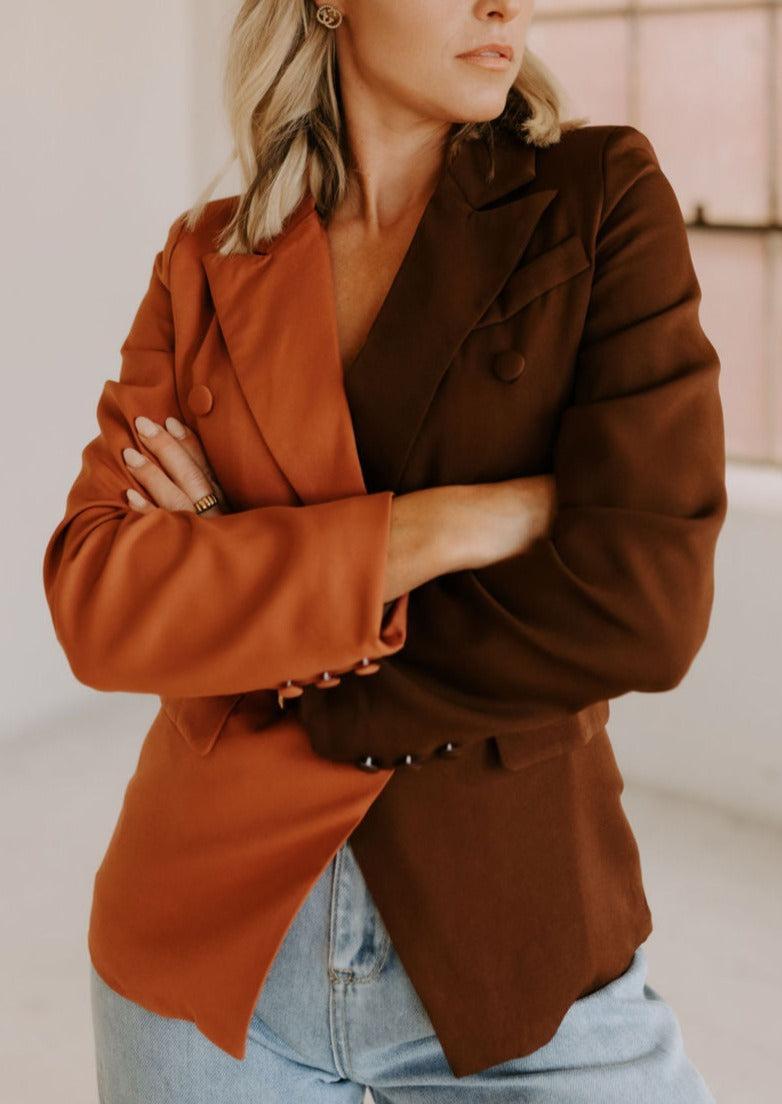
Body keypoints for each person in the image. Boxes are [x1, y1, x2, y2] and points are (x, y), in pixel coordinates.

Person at [43, 1, 726, 1100]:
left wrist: (245, 573)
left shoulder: (596, 197)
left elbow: (641, 605)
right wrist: (447, 526)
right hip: (203, 953)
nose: (504, 4)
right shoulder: (207, 256)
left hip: (513, 945)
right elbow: (97, 598)